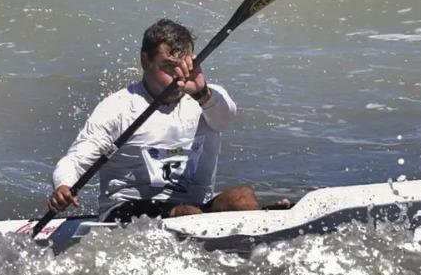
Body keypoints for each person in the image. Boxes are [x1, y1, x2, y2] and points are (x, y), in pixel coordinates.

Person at [47, 18, 261, 221]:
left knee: (243, 198)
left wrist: (202, 93)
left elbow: (225, 119)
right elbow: (75, 160)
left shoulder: (208, 98)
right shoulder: (118, 107)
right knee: (187, 213)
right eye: (168, 66)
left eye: (184, 65)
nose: (178, 76)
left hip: (195, 210)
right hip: (126, 210)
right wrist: (63, 186)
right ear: (145, 60)